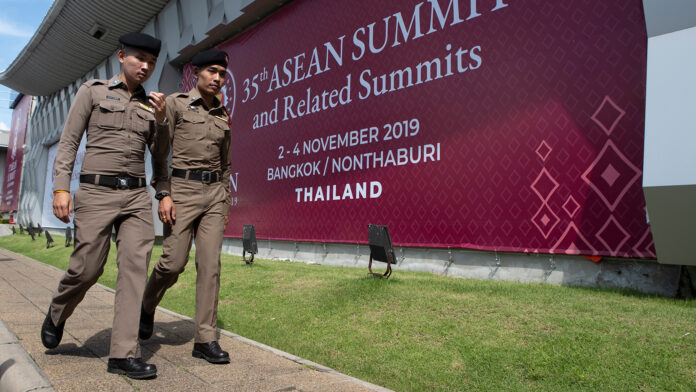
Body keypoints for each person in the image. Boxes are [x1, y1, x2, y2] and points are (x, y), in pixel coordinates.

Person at [41, 32, 167, 380]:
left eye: (152, 62)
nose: (145, 66)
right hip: (96, 194)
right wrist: (61, 188)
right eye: (140, 58)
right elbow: (68, 142)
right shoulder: (93, 91)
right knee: (87, 268)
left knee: (133, 271)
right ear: (121, 56)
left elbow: (159, 156)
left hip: (136, 198)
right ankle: (57, 310)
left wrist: (163, 121)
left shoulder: (152, 105)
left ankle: (123, 355)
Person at [140, 49, 232, 364]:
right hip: (181, 190)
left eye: (222, 73)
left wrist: (225, 200)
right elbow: (159, 152)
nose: (218, 78)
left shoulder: (223, 114)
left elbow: (227, 163)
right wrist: (163, 193)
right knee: (172, 263)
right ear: (197, 74)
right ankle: (147, 303)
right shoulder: (175, 104)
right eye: (212, 71)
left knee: (210, 267)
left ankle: (205, 339)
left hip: (213, 195)